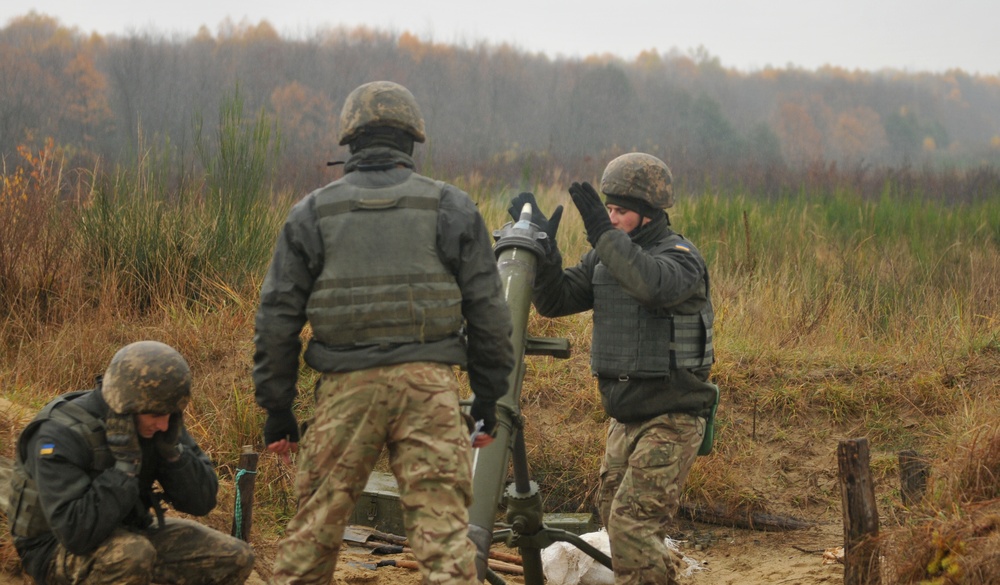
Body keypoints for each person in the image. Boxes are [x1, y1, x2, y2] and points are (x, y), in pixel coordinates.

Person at [253, 80, 515, 585]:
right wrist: (487, 398)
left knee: (313, 533)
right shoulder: (451, 206)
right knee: (444, 541)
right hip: (429, 388)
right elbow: (489, 312)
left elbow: (277, 317)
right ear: (412, 141)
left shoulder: (312, 213)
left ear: (349, 141)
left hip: (344, 389)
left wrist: (278, 411)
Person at [508, 152, 717, 585]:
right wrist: (545, 254)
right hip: (625, 420)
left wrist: (603, 234)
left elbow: (649, 283)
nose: (611, 217)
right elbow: (555, 301)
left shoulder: (680, 258)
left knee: (631, 525)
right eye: (608, 209)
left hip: (672, 418)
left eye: (620, 211)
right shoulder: (605, 256)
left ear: (647, 215)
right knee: (616, 519)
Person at [7, 340, 255, 585]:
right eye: (156, 416)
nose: (164, 425)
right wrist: (125, 468)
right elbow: (75, 534)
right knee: (133, 556)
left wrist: (173, 455)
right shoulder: (61, 433)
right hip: (54, 548)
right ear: (125, 407)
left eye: (170, 415)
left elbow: (202, 502)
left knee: (235, 556)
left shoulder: (158, 421)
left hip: (130, 530)